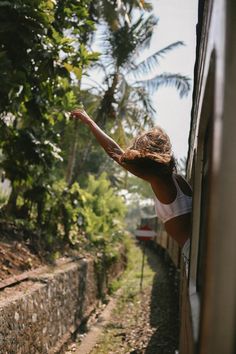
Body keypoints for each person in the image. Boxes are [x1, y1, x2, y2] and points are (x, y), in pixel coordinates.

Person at [70, 108, 192, 260]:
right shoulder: (177, 179)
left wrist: (90, 122)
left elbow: (115, 152)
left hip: (192, 253)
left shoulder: (160, 181)